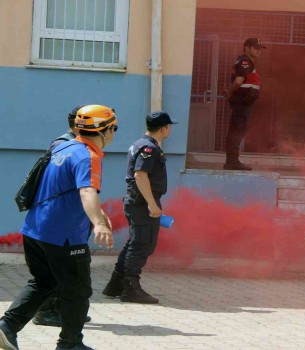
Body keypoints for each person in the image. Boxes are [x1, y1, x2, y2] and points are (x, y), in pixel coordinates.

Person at [0, 105, 118, 350]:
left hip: (34, 230)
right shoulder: (88, 155)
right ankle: (70, 344)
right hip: (63, 236)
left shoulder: (63, 147)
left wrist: (98, 211)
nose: (114, 133)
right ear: (104, 130)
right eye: (114, 128)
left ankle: (6, 327)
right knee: (77, 290)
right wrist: (98, 224)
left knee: (43, 282)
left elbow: (64, 187)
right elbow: (86, 190)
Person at [102, 111, 176, 304]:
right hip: (142, 203)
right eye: (169, 126)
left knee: (134, 243)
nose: (170, 129)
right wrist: (152, 203)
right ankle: (130, 289)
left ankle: (115, 285)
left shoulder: (140, 144)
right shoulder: (149, 148)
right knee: (142, 244)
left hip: (136, 202)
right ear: (163, 128)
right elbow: (140, 175)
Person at [32, 105, 95, 328]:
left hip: (70, 219)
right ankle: (49, 311)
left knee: (63, 270)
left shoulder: (73, 146)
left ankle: (69, 309)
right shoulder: (66, 146)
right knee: (56, 271)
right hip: (59, 223)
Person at [223, 37, 266, 171]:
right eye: (256, 48)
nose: (259, 51)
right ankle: (232, 162)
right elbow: (238, 81)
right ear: (247, 48)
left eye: (260, 48)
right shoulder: (245, 62)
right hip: (242, 102)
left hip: (244, 102)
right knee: (237, 131)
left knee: (238, 130)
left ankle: (232, 161)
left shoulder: (246, 62)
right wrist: (229, 92)